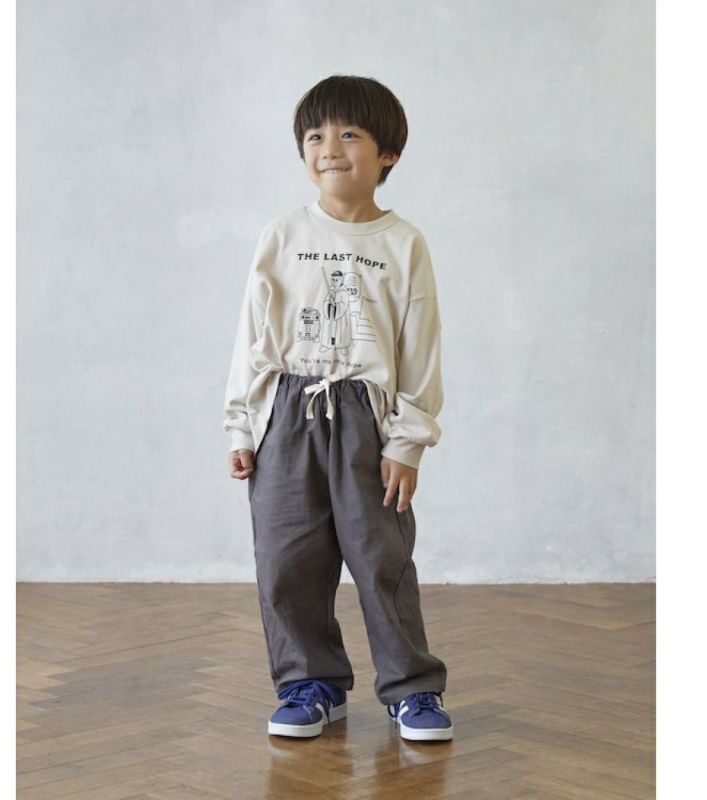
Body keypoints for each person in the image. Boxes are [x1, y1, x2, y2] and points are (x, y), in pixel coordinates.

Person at [223, 75, 452, 742]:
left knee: (381, 558)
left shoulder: (403, 243)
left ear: (389, 154)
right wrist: (242, 425)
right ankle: (309, 683)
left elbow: (420, 346)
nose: (329, 148)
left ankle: (412, 689)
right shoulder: (283, 234)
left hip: (367, 418)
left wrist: (407, 440)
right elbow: (252, 336)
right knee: (287, 558)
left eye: (350, 134)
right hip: (286, 412)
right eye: (315, 136)